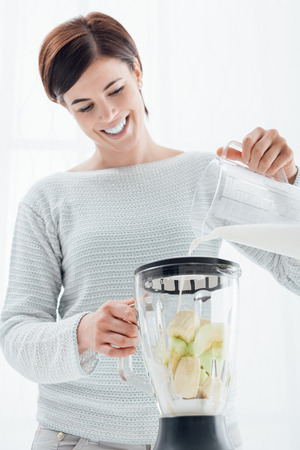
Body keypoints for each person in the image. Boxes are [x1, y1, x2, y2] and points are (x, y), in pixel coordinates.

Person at [0, 11, 299, 450]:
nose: (109, 114)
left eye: (115, 89)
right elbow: (17, 334)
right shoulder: (49, 199)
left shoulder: (205, 175)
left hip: (207, 434)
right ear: (64, 107)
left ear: (137, 71)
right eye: (84, 106)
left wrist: (288, 188)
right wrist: (84, 332)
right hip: (79, 437)